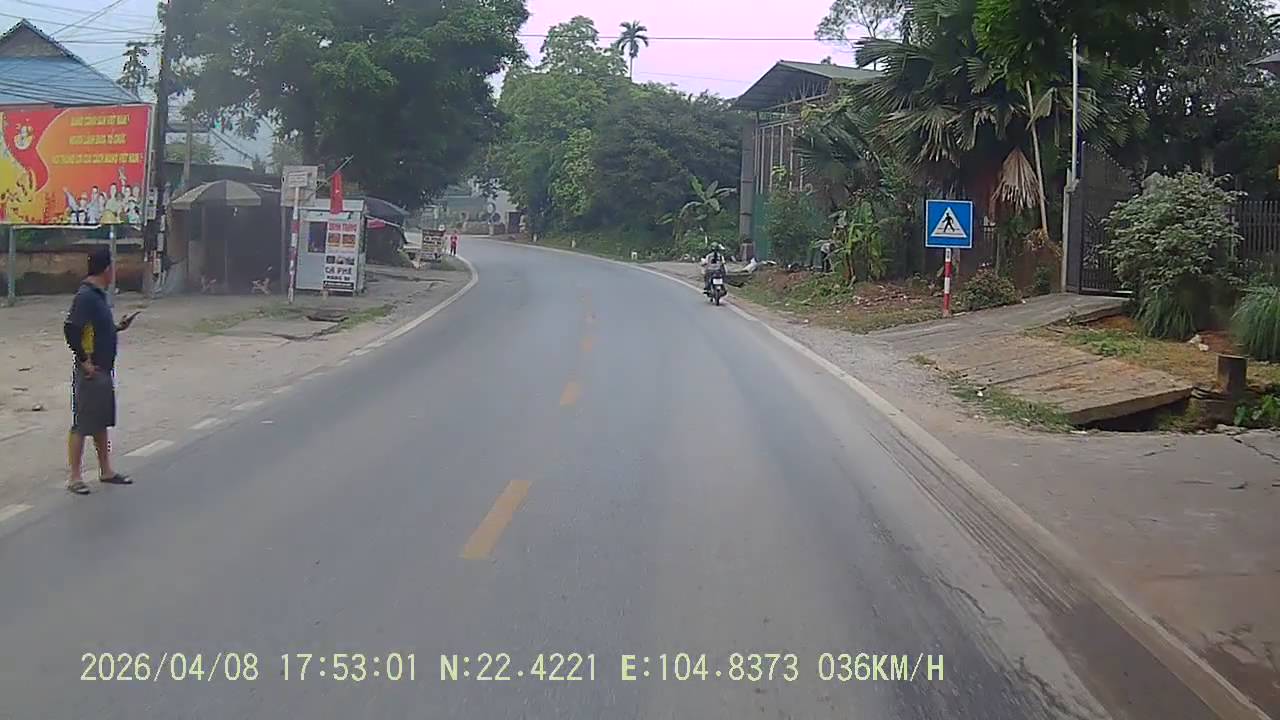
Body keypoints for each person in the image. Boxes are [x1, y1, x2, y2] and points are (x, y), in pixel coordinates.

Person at [63, 248, 138, 495]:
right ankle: (75, 477)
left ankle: (106, 470)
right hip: (91, 371)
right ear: (107, 269)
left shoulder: (97, 296)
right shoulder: (86, 296)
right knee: (82, 424)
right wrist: (84, 361)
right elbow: (71, 329)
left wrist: (118, 327)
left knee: (100, 422)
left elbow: (94, 330)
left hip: (103, 368)